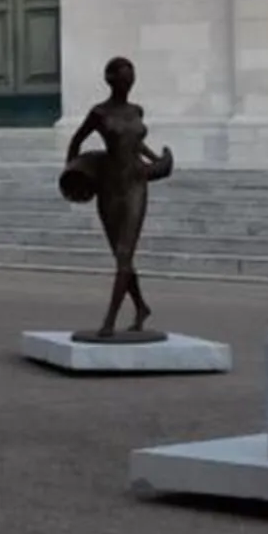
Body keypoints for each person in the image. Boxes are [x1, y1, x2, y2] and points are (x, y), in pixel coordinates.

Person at [62, 57, 173, 338]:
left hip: (136, 183)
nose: (129, 82)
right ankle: (141, 307)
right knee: (121, 255)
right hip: (109, 185)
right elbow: (76, 141)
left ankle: (110, 321)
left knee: (125, 254)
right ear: (111, 79)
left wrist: (155, 159)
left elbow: (135, 142)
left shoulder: (137, 110)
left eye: (131, 77)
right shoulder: (99, 113)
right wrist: (74, 173)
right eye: (124, 77)